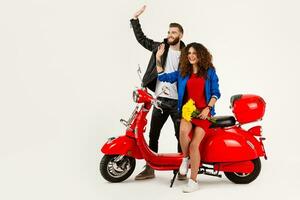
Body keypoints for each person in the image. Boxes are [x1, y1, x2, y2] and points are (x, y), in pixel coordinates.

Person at [130, 5, 187, 180]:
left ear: (181, 35)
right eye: (169, 32)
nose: (170, 35)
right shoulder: (160, 48)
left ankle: (181, 169)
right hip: (160, 101)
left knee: (180, 136)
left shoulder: (187, 54)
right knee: (153, 134)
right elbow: (142, 39)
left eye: (174, 33)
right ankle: (150, 168)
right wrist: (134, 19)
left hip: (178, 102)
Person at [156, 42, 221, 192]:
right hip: (188, 111)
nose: (191, 56)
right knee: (183, 132)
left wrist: (208, 108)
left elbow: (215, 92)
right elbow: (163, 76)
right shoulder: (182, 72)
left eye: (194, 53)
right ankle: (185, 159)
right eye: (189, 53)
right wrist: (158, 58)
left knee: (194, 145)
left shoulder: (209, 72)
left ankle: (193, 181)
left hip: (204, 113)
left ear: (200, 55)